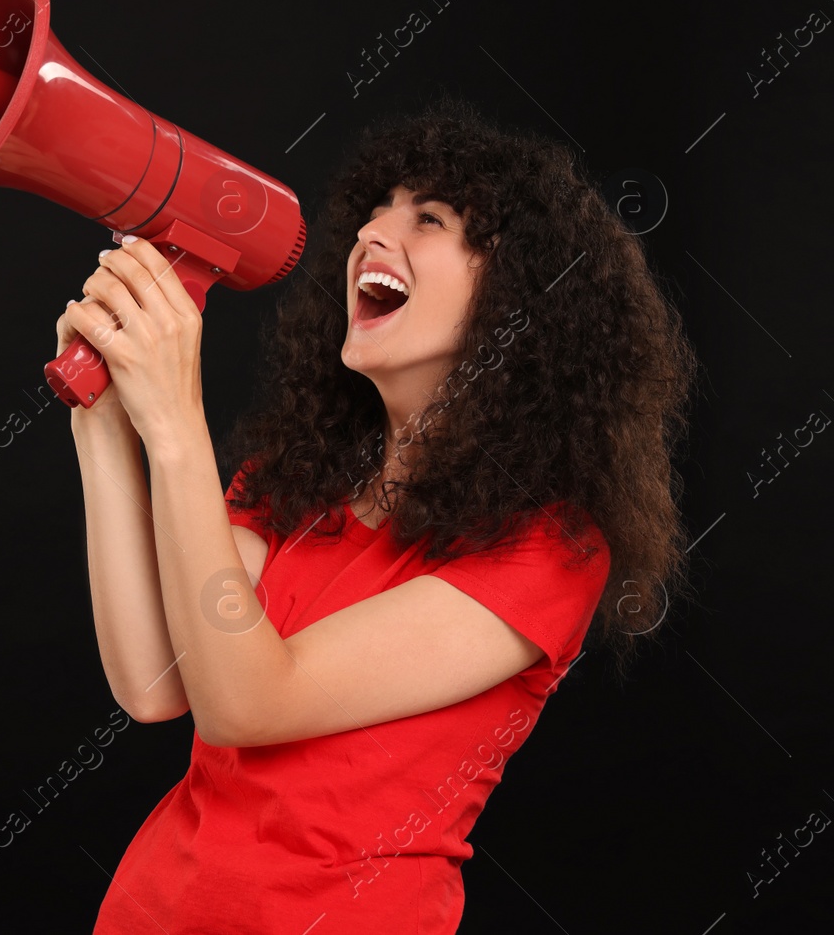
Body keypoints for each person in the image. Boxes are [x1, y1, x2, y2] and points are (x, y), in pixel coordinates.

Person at [59, 92, 697, 933]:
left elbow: (248, 702)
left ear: (518, 296)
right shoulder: (294, 477)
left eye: (429, 219)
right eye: (374, 211)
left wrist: (174, 425)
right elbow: (156, 683)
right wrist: (103, 422)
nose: (371, 233)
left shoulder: (551, 551)